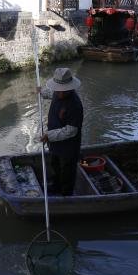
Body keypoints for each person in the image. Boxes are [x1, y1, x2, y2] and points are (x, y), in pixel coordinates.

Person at [38, 68, 83, 196]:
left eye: (62, 91)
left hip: (69, 147)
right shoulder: (57, 93)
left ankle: (66, 195)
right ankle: (55, 186)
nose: (59, 93)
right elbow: (50, 93)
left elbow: (71, 131)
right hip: (55, 143)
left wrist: (48, 135)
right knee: (55, 165)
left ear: (70, 89)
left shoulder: (75, 105)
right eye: (57, 89)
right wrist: (41, 92)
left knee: (67, 172)